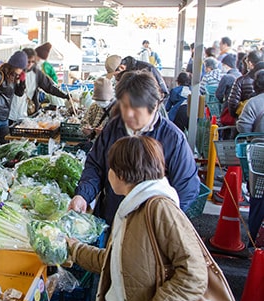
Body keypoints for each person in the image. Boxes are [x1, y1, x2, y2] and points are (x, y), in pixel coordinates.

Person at [67, 135, 207, 301]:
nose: (108, 174)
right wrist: (74, 249)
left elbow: (195, 274)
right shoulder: (130, 207)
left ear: (121, 174)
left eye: (110, 168)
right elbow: (116, 262)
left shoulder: (160, 209)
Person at [68, 71, 200, 225]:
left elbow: (187, 188)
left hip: (149, 228)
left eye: (136, 109)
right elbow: (95, 166)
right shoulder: (113, 127)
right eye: (124, 106)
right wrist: (83, 195)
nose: (128, 115)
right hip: (111, 218)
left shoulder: (173, 139)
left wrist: (160, 221)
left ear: (155, 105)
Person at [236, 70, 264, 247]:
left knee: (258, 197)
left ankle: (253, 240)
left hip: (259, 157)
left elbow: (243, 127)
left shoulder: (254, 103)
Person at [9, 48, 70, 122]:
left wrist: (66, 96)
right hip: (10, 113)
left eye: (32, 62)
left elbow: (49, 87)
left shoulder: (37, 73)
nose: (30, 64)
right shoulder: (12, 73)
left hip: (29, 113)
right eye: (28, 61)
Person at [228, 50, 264, 118]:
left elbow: (232, 104)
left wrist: (237, 116)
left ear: (250, 63)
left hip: (245, 118)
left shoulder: (241, 81)